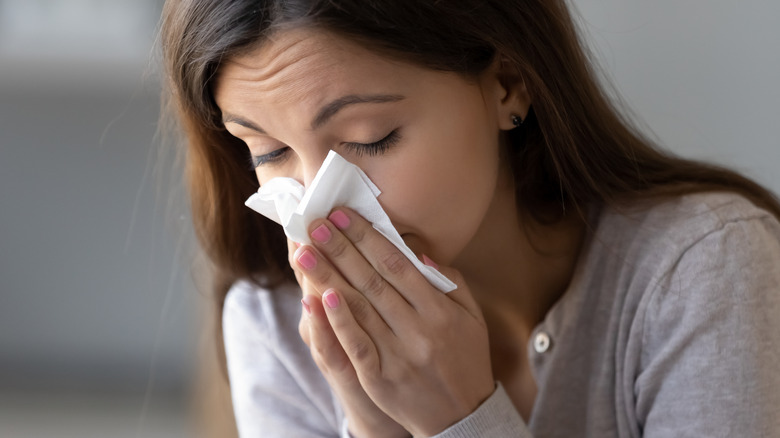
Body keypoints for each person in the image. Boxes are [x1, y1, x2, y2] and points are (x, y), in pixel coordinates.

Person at [160, 1, 780, 436]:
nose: (321, 203)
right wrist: (377, 429)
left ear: (507, 84)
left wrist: (458, 418)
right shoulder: (271, 324)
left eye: (371, 138)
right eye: (267, 152)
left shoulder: (702, 273)